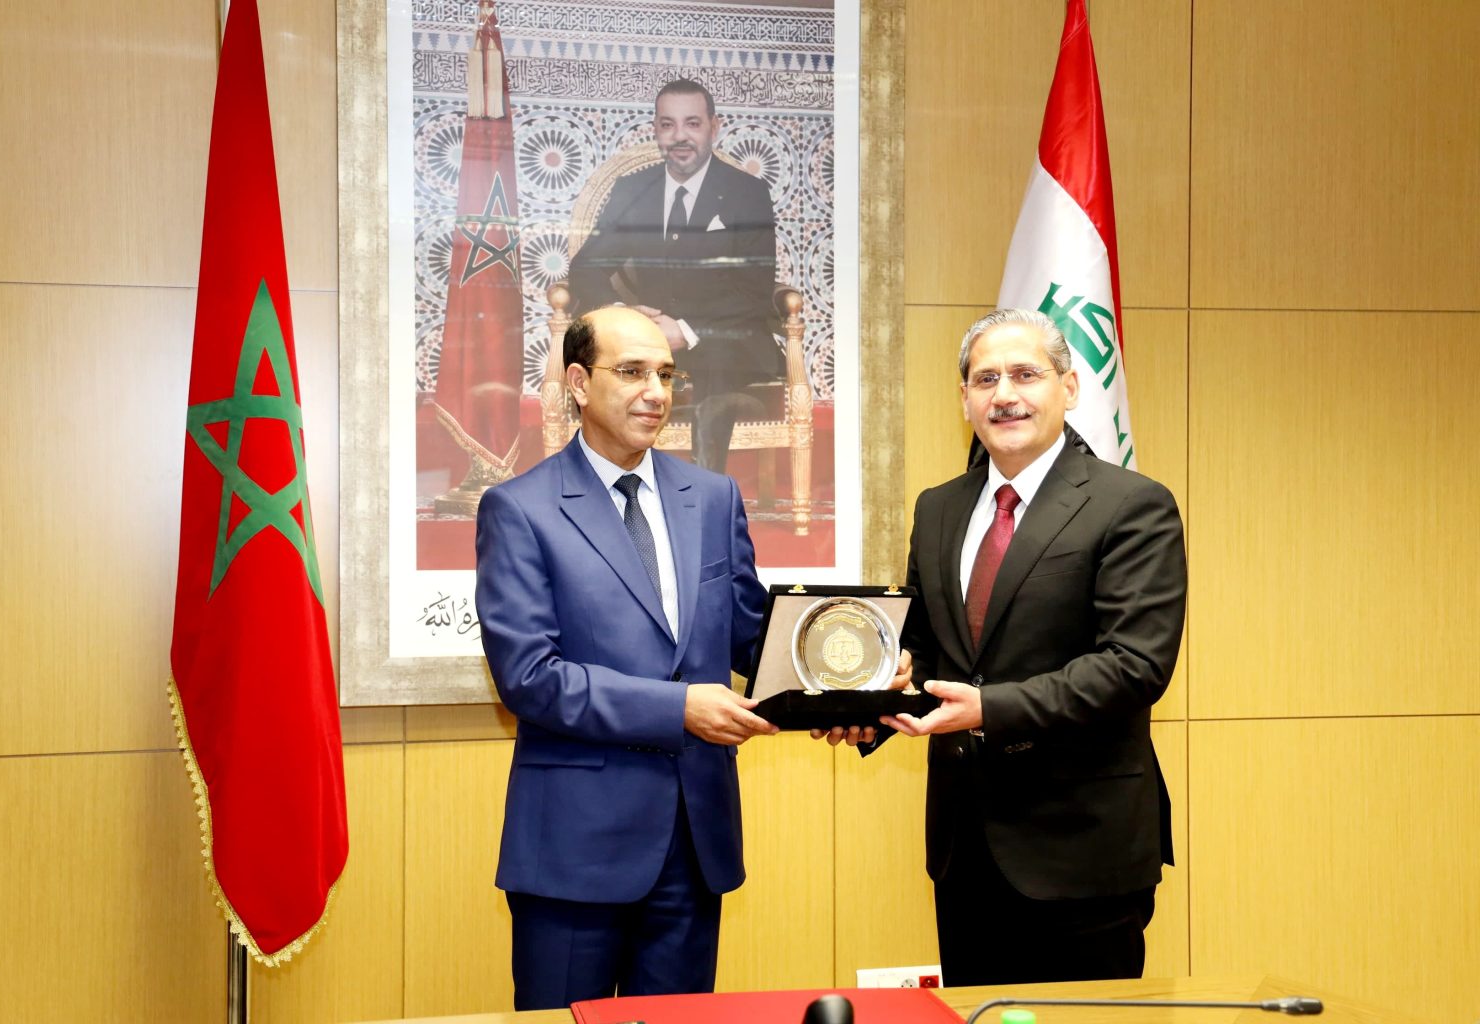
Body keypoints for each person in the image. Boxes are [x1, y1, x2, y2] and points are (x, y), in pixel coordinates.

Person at [829, 308, 1187, 986]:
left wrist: (988, 709)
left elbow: (1135, 665)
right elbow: (926, 649)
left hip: (1082, 847)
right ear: (964, 399)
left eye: (1025, 374)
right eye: (985, 379)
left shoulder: (1131, 504)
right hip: (965, 849)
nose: (1005, 394)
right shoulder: (938, 507)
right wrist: (869, 701)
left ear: (1069, 388)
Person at [474, 306, 777, 1010]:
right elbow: (530, 678)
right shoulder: (520, 509)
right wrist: (680, 708)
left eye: (666, 374)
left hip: (694, 845)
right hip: (573, 851)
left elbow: (751, 637)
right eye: (633, 372)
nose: (655, 392)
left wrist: (849, 680)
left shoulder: (712, 497)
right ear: (579, 383)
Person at [568, 78, 781, 473]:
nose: (680, 136)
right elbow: (585, 267)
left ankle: (706, 484)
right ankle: (612, 482)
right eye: (668, 124)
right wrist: (626, 317)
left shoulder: (746, 193)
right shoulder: (633, 190)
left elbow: (753, 289)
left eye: (692, 123)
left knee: (719, 357)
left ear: (714, 127)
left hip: (723, 337)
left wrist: (685, 329)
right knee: (603, 361)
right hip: (647, 342)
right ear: (656, 130)